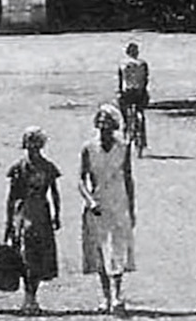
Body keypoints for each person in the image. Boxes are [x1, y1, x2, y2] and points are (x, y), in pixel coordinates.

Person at [80, 103, 136, 315]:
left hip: (118, 201)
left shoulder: (123, 147)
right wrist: (89, 201)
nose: (104, 126)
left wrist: (132, 207)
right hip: (98, 204)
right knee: (100, 250)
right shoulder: (88, 148)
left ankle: (117, 295)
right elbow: (81, 179)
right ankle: (105, 295)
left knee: (117, 248)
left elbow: (129, 178)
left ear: (115, 125)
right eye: (101, 121)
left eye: (108, 122)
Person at [4, 126, 62, 315]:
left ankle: (32, 297)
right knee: (24, 256)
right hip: (23, 214)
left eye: (36, 144)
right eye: (30, 144)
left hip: (42, 215)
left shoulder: (48, 167)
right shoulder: (18, 168)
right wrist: (9, 223)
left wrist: (57, 214)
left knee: (38, 257)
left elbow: (54, 192)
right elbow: (11, 197)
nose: (33, 149)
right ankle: (27, 297)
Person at [116, 43, 150, 155]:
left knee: (125, 114)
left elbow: (120, 80)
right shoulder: (143, 63)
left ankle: (126, 129)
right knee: (140, 113)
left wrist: (119, 91)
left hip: (127, 92)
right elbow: (146, 79)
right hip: (139, 92)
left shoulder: (122, 64)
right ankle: (142, 139)